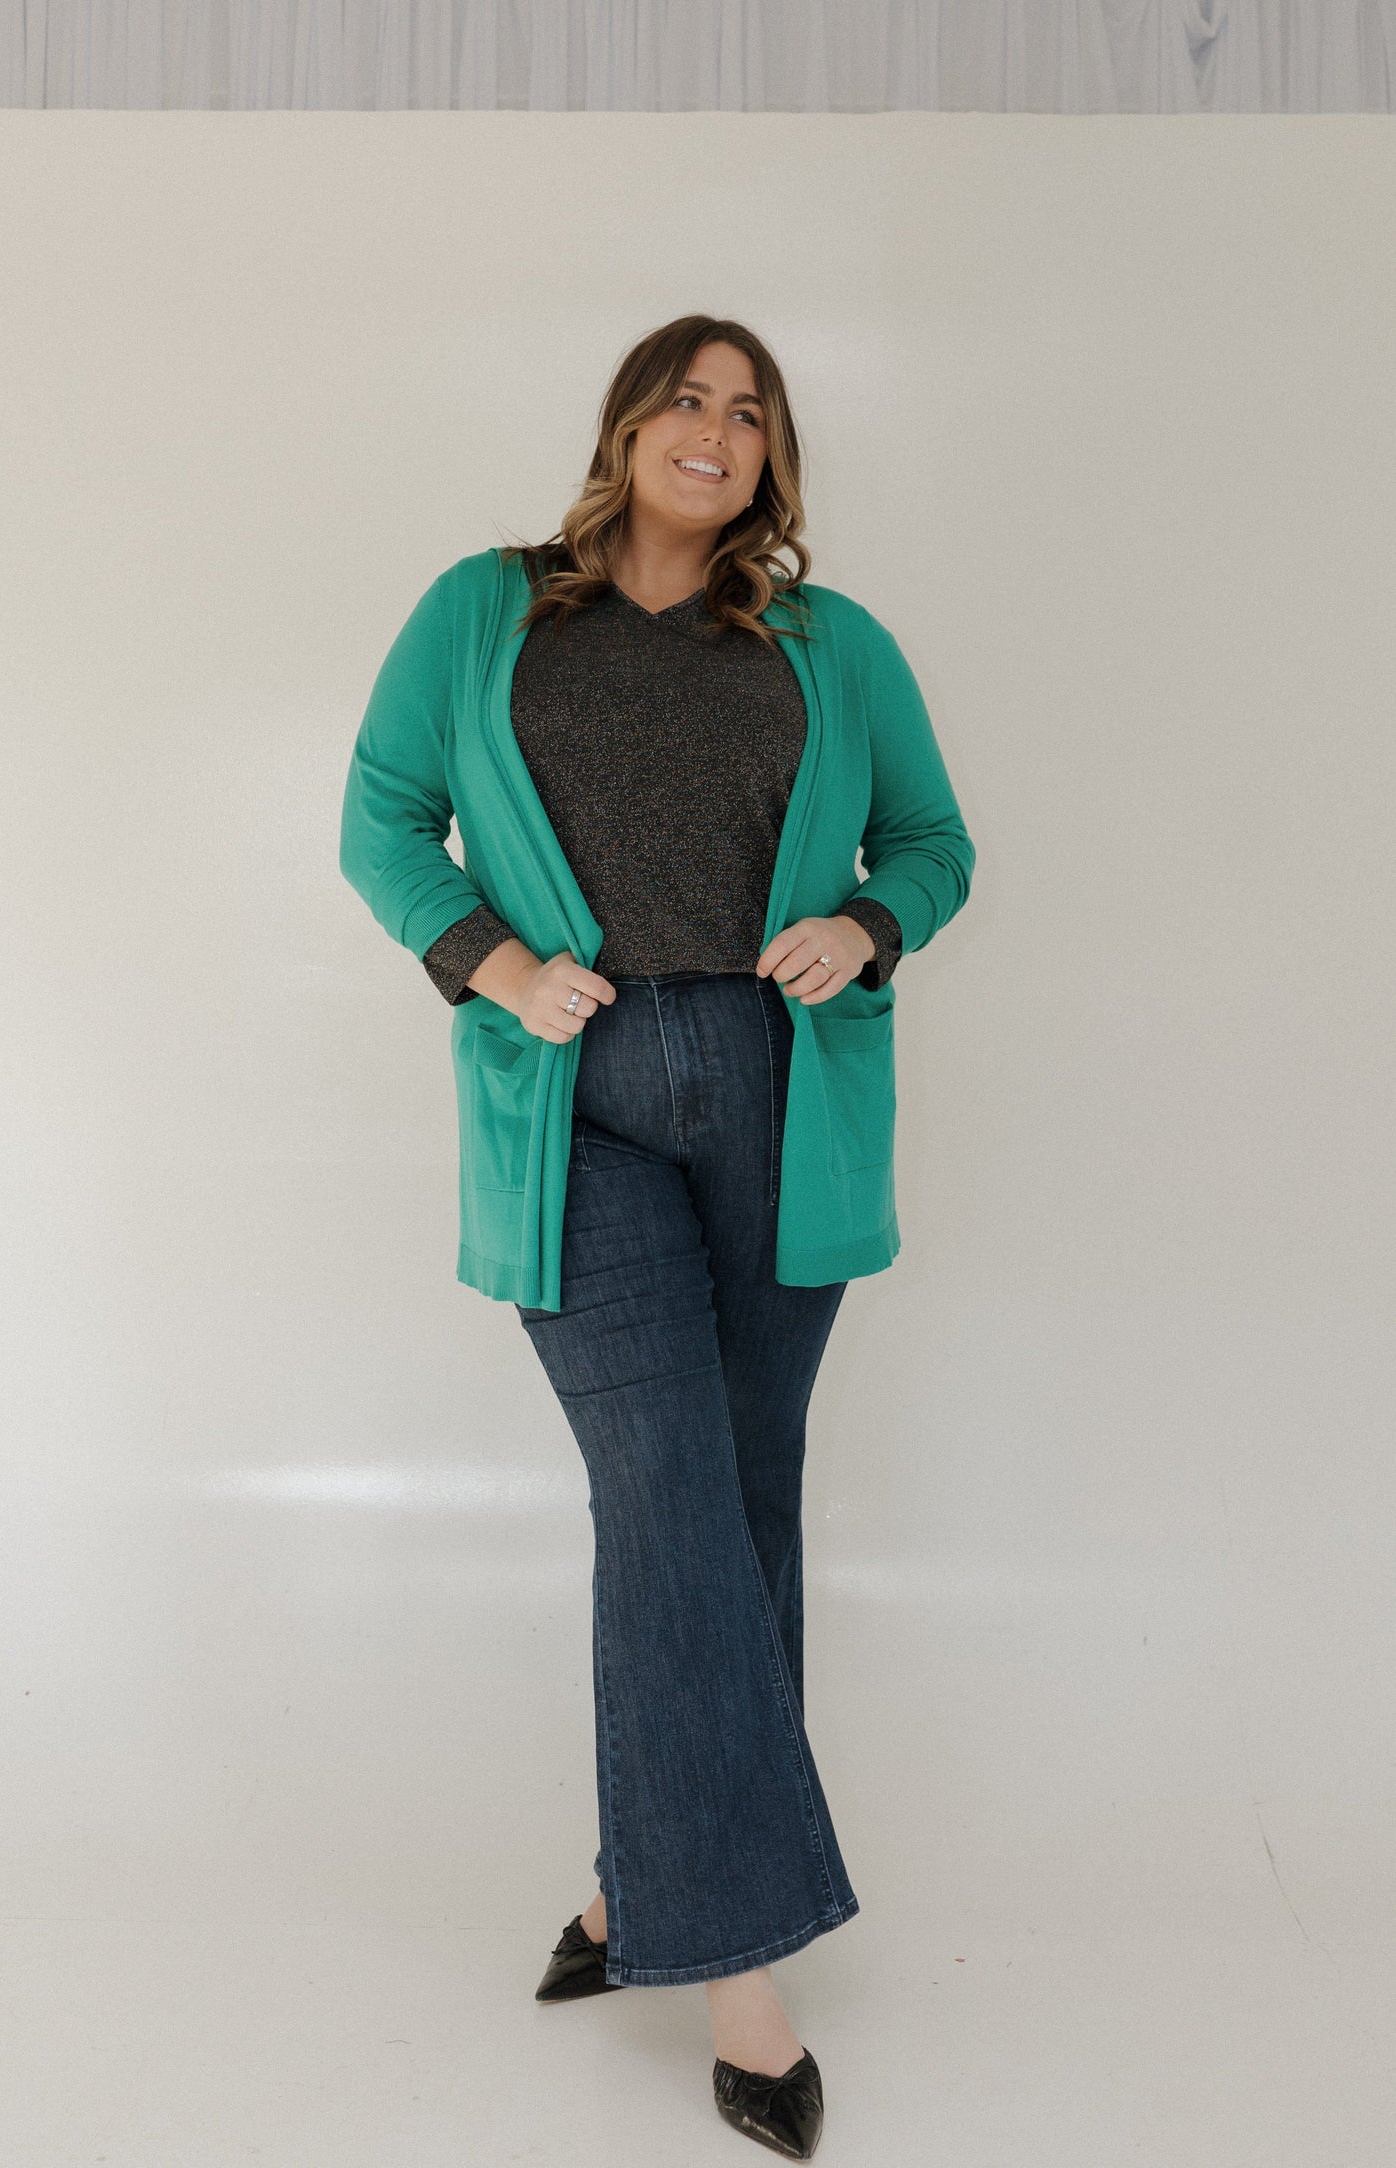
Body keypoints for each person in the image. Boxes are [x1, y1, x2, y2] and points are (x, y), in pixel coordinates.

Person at [339, 314, 975, 2159]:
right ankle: (742, 1976)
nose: (715, 431)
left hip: (783, 1108)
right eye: (685, 400)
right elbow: (385, 819)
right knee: (668, 1492)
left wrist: (863, 927)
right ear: (625, 426)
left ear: (771, 460)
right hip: (575, 1105)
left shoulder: (827, 642)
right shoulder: (487, 610)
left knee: (738, 1499)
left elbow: (930, 844)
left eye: (748, 413)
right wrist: (492, 962)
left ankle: (638, 1885)